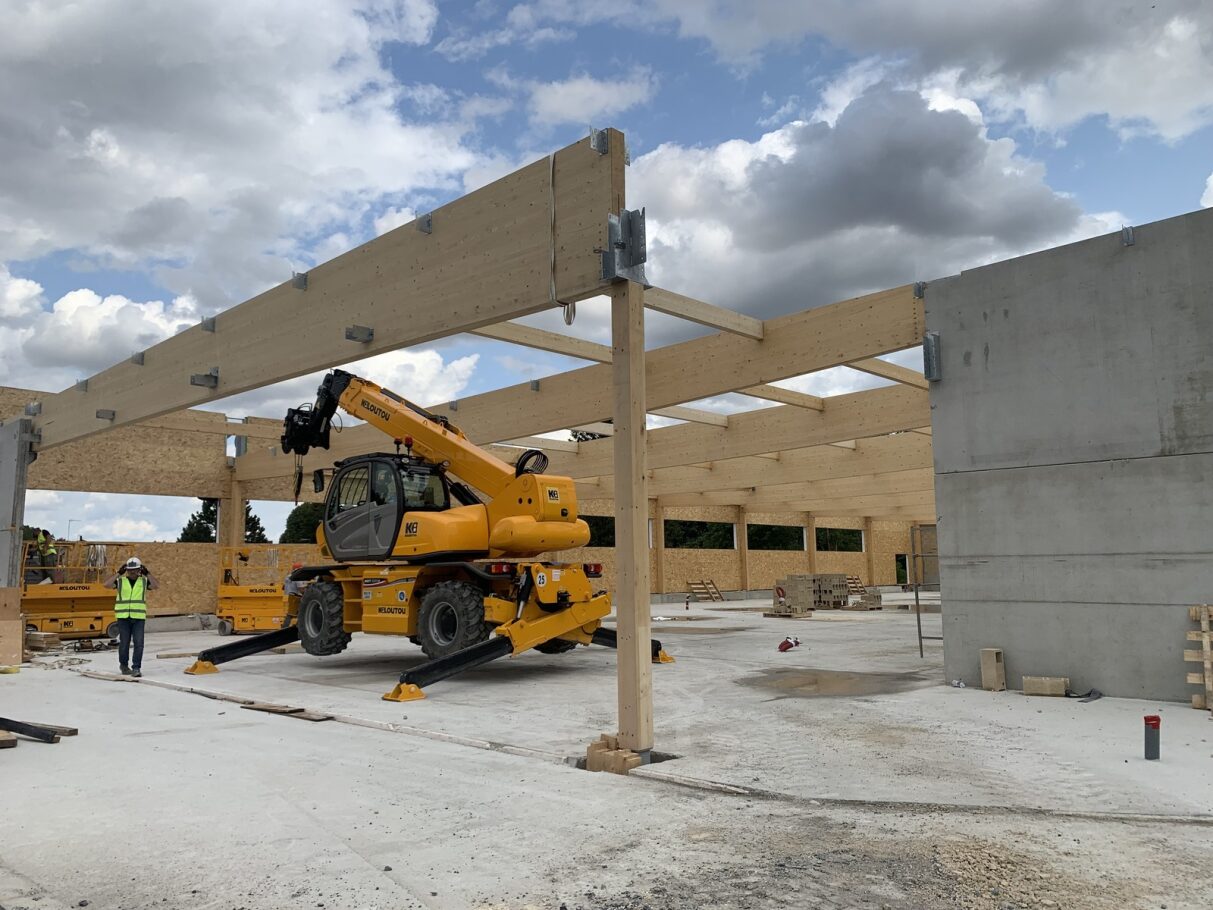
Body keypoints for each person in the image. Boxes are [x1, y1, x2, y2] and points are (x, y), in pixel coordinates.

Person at [106, 557, 158, 677]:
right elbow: (107, 584)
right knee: (124, 643)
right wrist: (118, 573)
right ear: (126, 570)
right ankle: (124, 666)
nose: (132, 572)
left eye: (135, 570)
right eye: (130, 570)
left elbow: (155, 586)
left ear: (140, 570)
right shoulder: (121, 581)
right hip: (123, 617)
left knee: (139, 643)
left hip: (138, 617)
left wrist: (148, 574)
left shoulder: (144, 581)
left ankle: (136, 668)